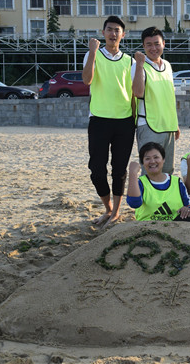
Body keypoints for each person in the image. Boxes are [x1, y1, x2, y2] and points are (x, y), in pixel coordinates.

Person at [82, 15, 135, 227]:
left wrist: (134, 119)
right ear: (103, 32)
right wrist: (93, 52)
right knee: (97, 169)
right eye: (109, 29)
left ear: (123, 35)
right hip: (99, 119)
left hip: (124, 121)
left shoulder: (129, 61)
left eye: (117, 30)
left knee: (119, 169)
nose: (113, 33)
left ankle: (116, 212)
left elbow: (134, 93)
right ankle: (108, 208)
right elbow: (87, 80)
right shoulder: (92, 54)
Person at [132, 26, 179, 175]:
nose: (153, 48)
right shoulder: (138, 66)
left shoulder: (167, 65)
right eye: (149, 45)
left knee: (167, 169)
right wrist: (140, 65)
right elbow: (137, 92)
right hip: (148, 125)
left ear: (163, 44)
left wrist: (175, 124)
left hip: (168, 125)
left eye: (157, 44)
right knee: (150, 169)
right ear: (143, 46)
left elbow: (169, 96)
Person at [127, 142, 190, 221]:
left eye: (156, 157)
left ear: (163, 159)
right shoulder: (140, 183)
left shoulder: (177, 182)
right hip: (147, 226)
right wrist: (132, 173)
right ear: (143, 163)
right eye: (147, 158)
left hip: (175, 225)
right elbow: (134, 203)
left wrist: (187, 210)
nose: (152, 161)